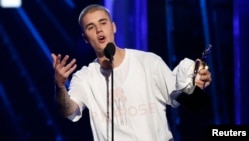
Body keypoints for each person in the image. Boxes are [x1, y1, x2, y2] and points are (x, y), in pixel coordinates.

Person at [51, 4, 212, 141]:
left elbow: (180, 97)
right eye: (91, 27)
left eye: (103, 23)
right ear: (85, 37)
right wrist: (60, 86)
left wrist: (197, 84)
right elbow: (68, 110)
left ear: (113, 27)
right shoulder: (85, 77)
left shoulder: (148, 62)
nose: (99, 30)